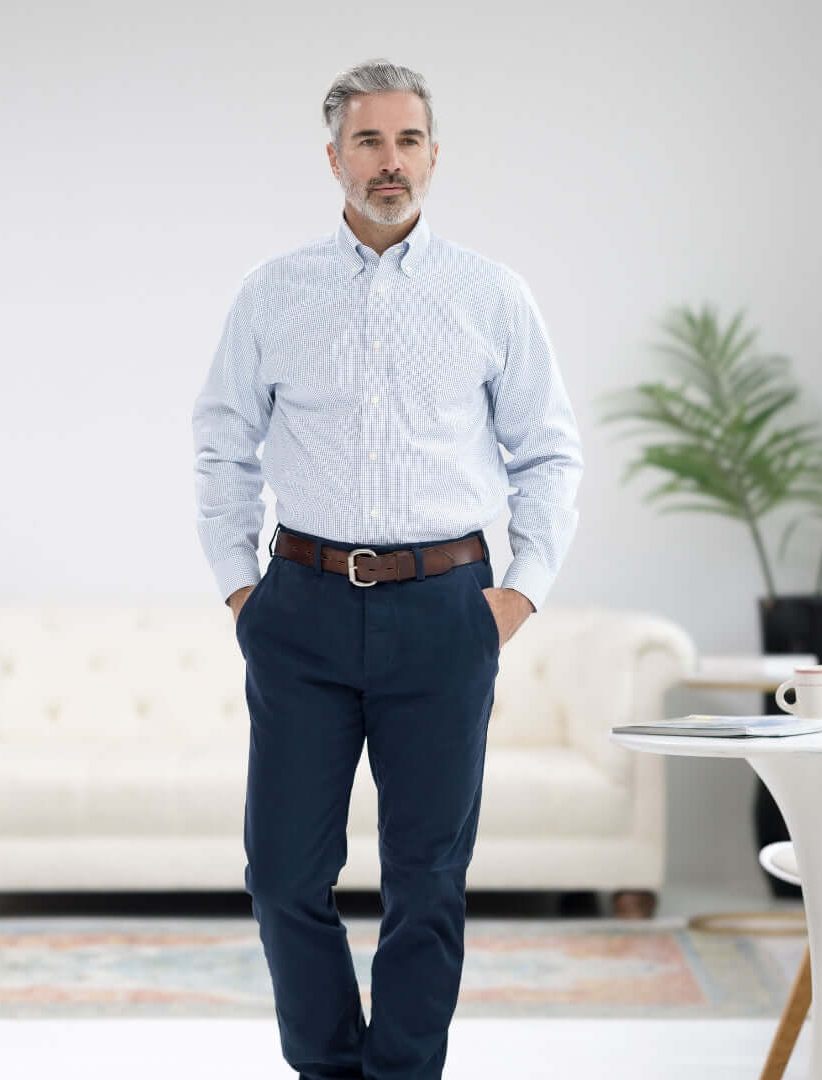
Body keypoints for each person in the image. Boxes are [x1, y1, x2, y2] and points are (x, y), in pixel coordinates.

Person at [191, 57, 583, 1080]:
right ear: (334, 158)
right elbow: (222, 445)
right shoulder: (273, 293)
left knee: (428, 879)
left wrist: (518, 595)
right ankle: (328, 1071)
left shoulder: (491, 294)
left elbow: (548, 452)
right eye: (368, 141)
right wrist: (241, 590)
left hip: (447, 612)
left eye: (408, 140)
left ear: (434, 156)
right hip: (301, 609)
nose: (390, 161)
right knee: (283, 873)